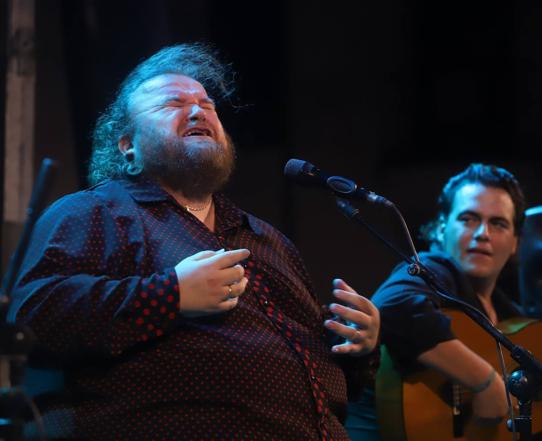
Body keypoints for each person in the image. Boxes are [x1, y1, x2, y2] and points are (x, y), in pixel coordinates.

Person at [8, 43, 380, 440]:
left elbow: (333, 382)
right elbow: (32, 316)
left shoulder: (268, 239)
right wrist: (171, 294)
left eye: (207, 104)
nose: (199, 110)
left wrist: (357, 347)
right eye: (172, 104)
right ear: (127, 146)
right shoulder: (94, 212)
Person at [345, 163, 542, 440]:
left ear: (515, 244)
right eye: (468, 219)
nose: (482, 233)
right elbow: (396, 306)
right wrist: (483, 382)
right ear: (441, 228)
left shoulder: (511, 317)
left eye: (498, 224)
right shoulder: (431, 270)